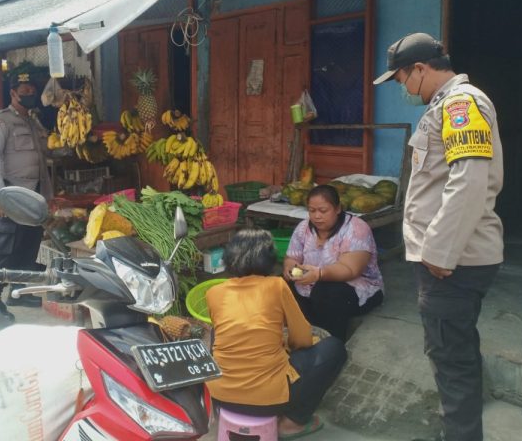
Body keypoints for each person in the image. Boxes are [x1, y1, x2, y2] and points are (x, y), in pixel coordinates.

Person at [373, 32, 503, 441]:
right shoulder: (444, 106)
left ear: (420, 70)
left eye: (401, 80)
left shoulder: (462, 103)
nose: (403, 89)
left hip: (453, 262)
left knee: (453, 361)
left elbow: (468, 183)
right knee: (451, 355)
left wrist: (440, 253)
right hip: (448, 258)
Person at [206, 229, 347, 439]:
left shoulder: (214, 293)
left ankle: (220, 415)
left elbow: (225, 335)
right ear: (268, 260)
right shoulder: (276, 286)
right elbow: (302, 338)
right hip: (269, 400)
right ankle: (293, 423)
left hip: (219, 395)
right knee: (335, 349)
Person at [0, 72, 52, 316]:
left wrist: (48, 195)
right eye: (24, 90)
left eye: (32, 89)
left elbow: (40, 161)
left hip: (34, 194)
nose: (29, 93)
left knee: (29, 243)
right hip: (12, 194)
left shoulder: (33, 121)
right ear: (13, 93)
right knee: (5, 246)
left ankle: (18, 291)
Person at [283, 184, 384, 342]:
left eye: (323, 211)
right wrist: (290, 269)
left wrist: (319, 274)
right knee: (278, 284)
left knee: (325, 291)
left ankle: (332, 345)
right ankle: (296, 337)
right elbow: (292, 258)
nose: (316, 216)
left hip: (356, 288)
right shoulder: (304, 227)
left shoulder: (356, 229)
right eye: (312, 210)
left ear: (338, 208)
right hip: (310, 284)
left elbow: (350, 269)